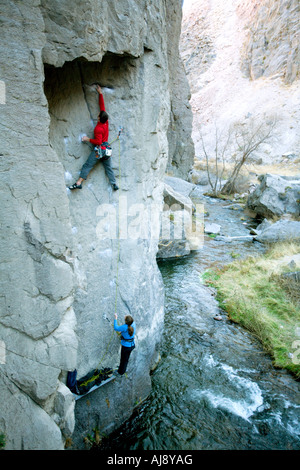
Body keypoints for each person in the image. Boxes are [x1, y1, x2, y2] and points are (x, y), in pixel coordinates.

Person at [69, 85, 119, 191]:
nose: (98, 114)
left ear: (100, 118)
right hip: (107, 149)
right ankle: (114, 184)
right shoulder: (106, 122)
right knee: (108, 167)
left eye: (99, 115)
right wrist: (100, 93)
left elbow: (98, 141)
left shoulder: (98, 129)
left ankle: (79, 183)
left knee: (88, 165)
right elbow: (102, 107)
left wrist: (87, 139)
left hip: (100, 149)